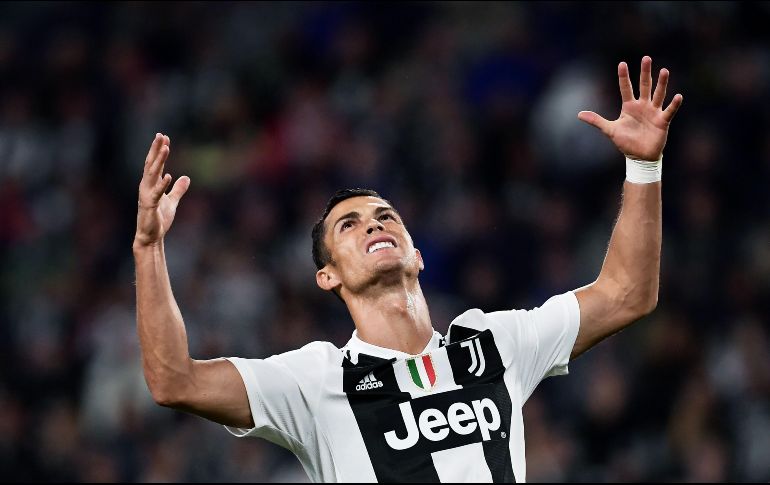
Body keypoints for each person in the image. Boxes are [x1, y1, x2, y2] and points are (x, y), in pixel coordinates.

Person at [133, 56, 682, 482]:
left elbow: (628, 293)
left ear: (416, 254)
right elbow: (173, 380)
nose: (374, 226)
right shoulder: (315, 380)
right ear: (329, 277)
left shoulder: (492, 345)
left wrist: (643, 165)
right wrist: (149, 248)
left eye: (385, 215)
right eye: (348, 226)